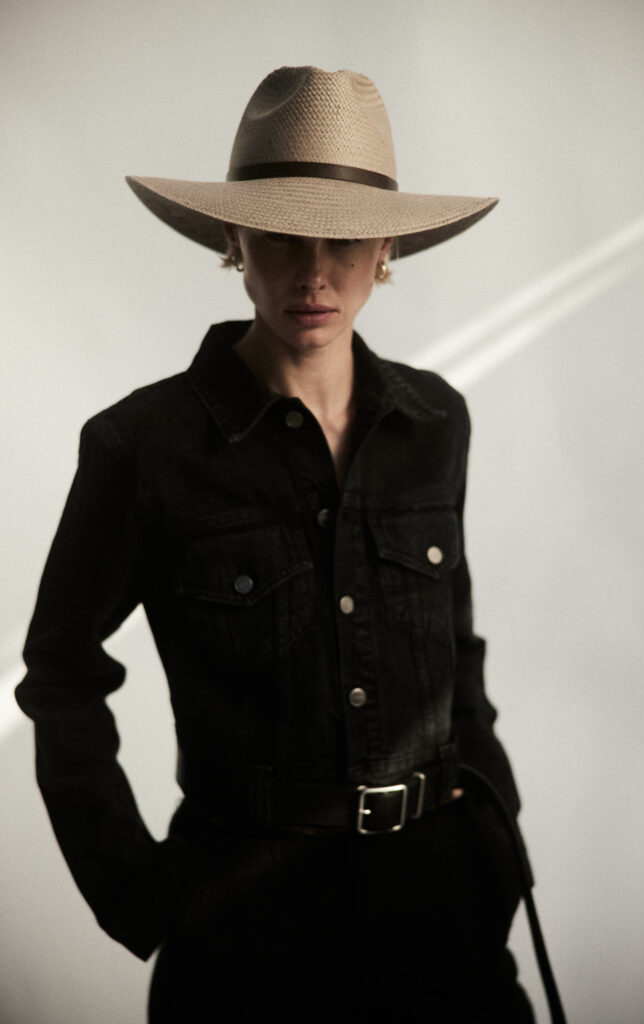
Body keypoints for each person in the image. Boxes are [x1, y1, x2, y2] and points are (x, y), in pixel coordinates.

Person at [16, 66, 538, 1022]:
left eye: (343, 239)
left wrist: (498, 848)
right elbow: (59, 673)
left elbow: (455, 656)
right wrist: (132, 886)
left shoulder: (434, 423)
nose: (313, 273)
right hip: (244, 929)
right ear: (232, 240)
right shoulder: (142, 448)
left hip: (442, 909)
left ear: (386, 248)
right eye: (283, 235)